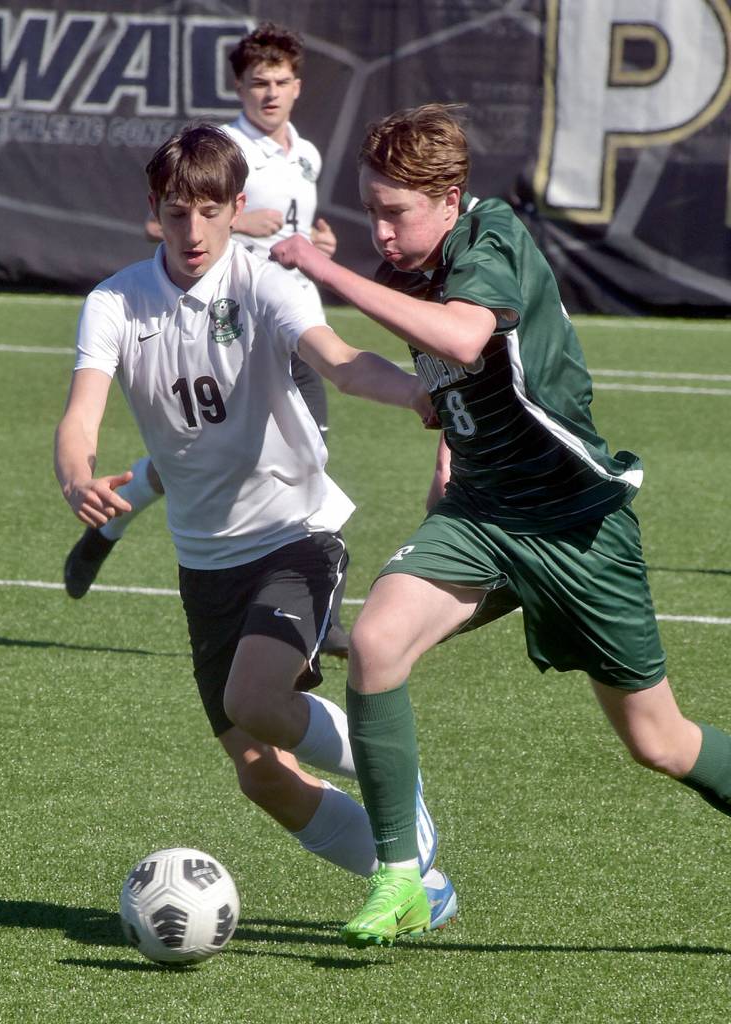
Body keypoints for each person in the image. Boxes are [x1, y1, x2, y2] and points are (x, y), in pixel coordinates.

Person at [270, 101, 731, 948]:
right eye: (370, 208)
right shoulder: (410, 256)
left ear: (450, 199)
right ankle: (402, 876)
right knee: (377, 644)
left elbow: (466, 337)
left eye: (396, 212)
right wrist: (443, 445)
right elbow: (454, 386)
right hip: (483, 515)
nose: (382, 229)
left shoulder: (492, 237)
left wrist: (327, 273)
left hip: (575, 527)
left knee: (660, 742)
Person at [54, 123, 457, 930]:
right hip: (204, 563)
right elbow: (81, 417)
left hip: (294, 532)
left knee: (259, 695)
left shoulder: (267, 283)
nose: (193, 231)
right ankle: (427, 889)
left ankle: (393, 791)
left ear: (240, 208)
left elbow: (339, 360)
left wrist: (415, 394)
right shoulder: (116, 301)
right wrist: (75, 475)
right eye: (176, 213)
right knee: (259, 774)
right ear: (154, 211)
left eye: (211, 211)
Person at [64, 23, 350, 656]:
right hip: (221, 326)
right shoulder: (219, 146)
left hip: (283, 321)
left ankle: (113, 530)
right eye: (257, 84)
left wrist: (317, 246)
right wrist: (238, 220)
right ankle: (306, 618)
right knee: (212, 457)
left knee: (274, 457)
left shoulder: (305, 153)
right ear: (239, 88)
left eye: (280, 83)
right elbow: (160, 222)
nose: (269, 95)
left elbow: (291, 241)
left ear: (298, 87)